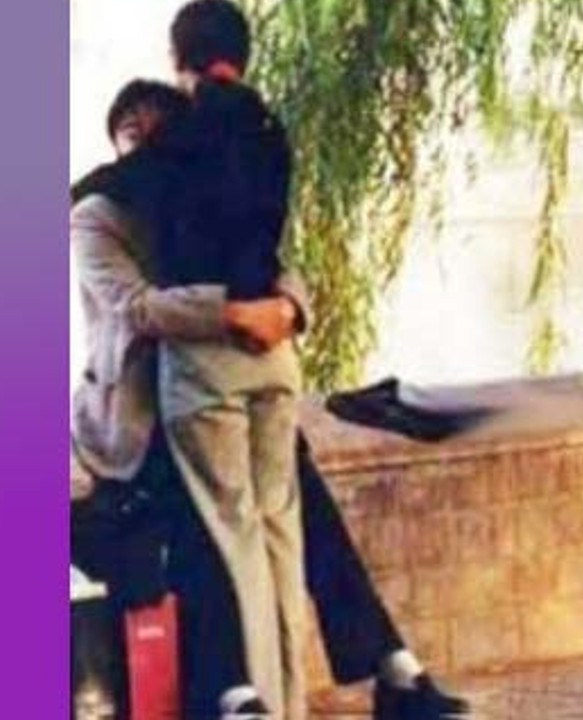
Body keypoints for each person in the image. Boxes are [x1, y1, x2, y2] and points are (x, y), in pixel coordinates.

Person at [72, 76, 467, 720]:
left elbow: (273, 261)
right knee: (205, 522)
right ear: (114, 143)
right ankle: (238, 692)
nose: (144, 145)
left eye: (158, 132)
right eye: (131, 133)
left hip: (212, 395)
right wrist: (234, 312)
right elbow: (137, 308)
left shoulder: (204, 195)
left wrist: (286, 307)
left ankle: (392, 666)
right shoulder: (96, 216)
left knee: (305, 495)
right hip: (137, 423)